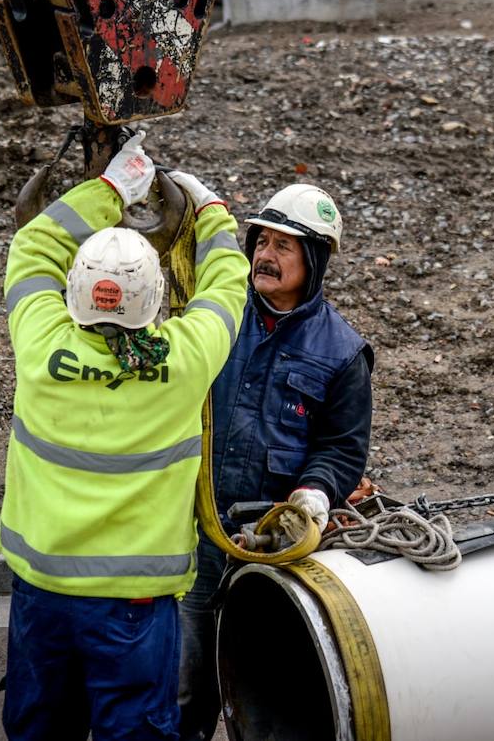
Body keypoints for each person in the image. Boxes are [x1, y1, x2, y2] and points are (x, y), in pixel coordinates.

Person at [0, 132, 249, 741]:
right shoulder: (184, 362)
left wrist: (110, 188)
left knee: (40, 728)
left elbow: (32, 248)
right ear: (156, 298)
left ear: (73, 293)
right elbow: (226, 288)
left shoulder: (40, 348)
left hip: (44, 594)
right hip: (135, 607)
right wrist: (213, 214)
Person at [177, 183, 374, 741]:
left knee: (263, 691)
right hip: (192, 532)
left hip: (272, 553)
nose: (265, 253)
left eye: (284, 246)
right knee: (182, 683)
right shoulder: (214, 314)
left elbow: (341, 449)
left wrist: (315, 491)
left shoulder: (341, 352)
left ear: (313, 259)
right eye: (261, 240)